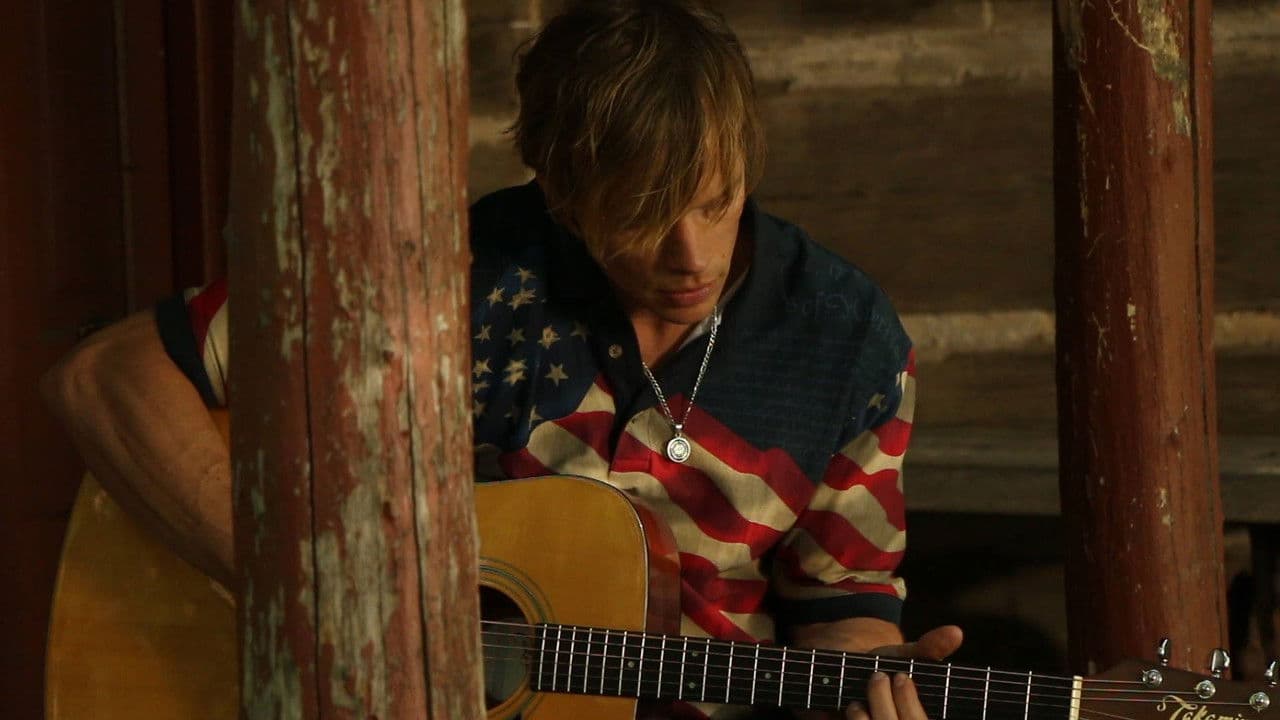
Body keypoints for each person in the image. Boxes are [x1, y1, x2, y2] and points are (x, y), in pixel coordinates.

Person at [43, 1, 961, 718]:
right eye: (640, 216)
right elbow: (101, 378)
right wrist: (312, 600)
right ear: (560, 192)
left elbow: (841, 606)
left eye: (716, 202)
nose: (692, 256)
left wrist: (872, 679)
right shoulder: (448, 273)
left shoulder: (846, 337)